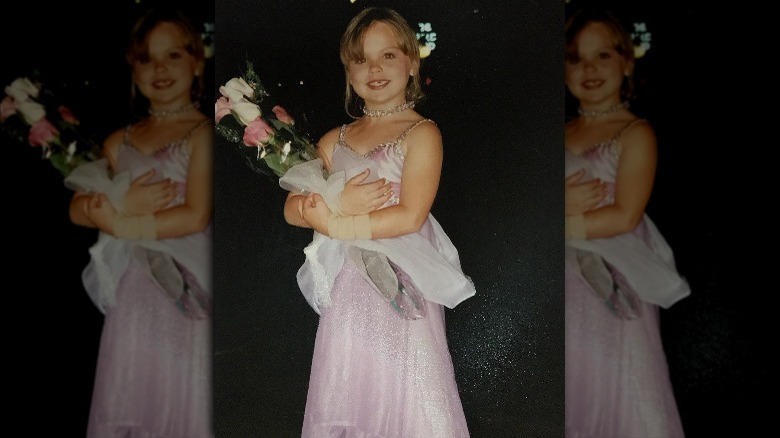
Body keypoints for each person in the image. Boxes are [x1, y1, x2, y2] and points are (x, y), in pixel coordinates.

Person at [282, 7, 475, 437]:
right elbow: (294, 206)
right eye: (361, 59)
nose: (374, 68)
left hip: (402, 280)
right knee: (349, 378)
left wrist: (337, 222)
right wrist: (330, 201)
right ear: (348, 70)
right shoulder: (335, 140)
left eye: (388, 55)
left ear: (411, 63)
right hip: (349, 287)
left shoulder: (422, 133)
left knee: (408, 384)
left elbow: (410, 215)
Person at [66, 6, 213, 437]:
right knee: (133, 391)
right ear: (133, 68)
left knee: (180, 393)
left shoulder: (202, 134)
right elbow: (78, 206)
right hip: (134, 292)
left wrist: (121, 220)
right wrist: (117, 201)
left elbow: (195, 214)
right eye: (147, 58)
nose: (160, 69)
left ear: (196, 61)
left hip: (191, 283)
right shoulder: (119, 142)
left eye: (172, 56)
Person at [563, 7, 690, 438]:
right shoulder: (558, 133)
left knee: (621, 390)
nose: (589, 69)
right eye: (576, 59)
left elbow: (624, 215)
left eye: (602, 56)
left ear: (626, 61)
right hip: (563, 284)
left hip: (617, 279)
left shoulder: (635, 132)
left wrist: (559, 220)